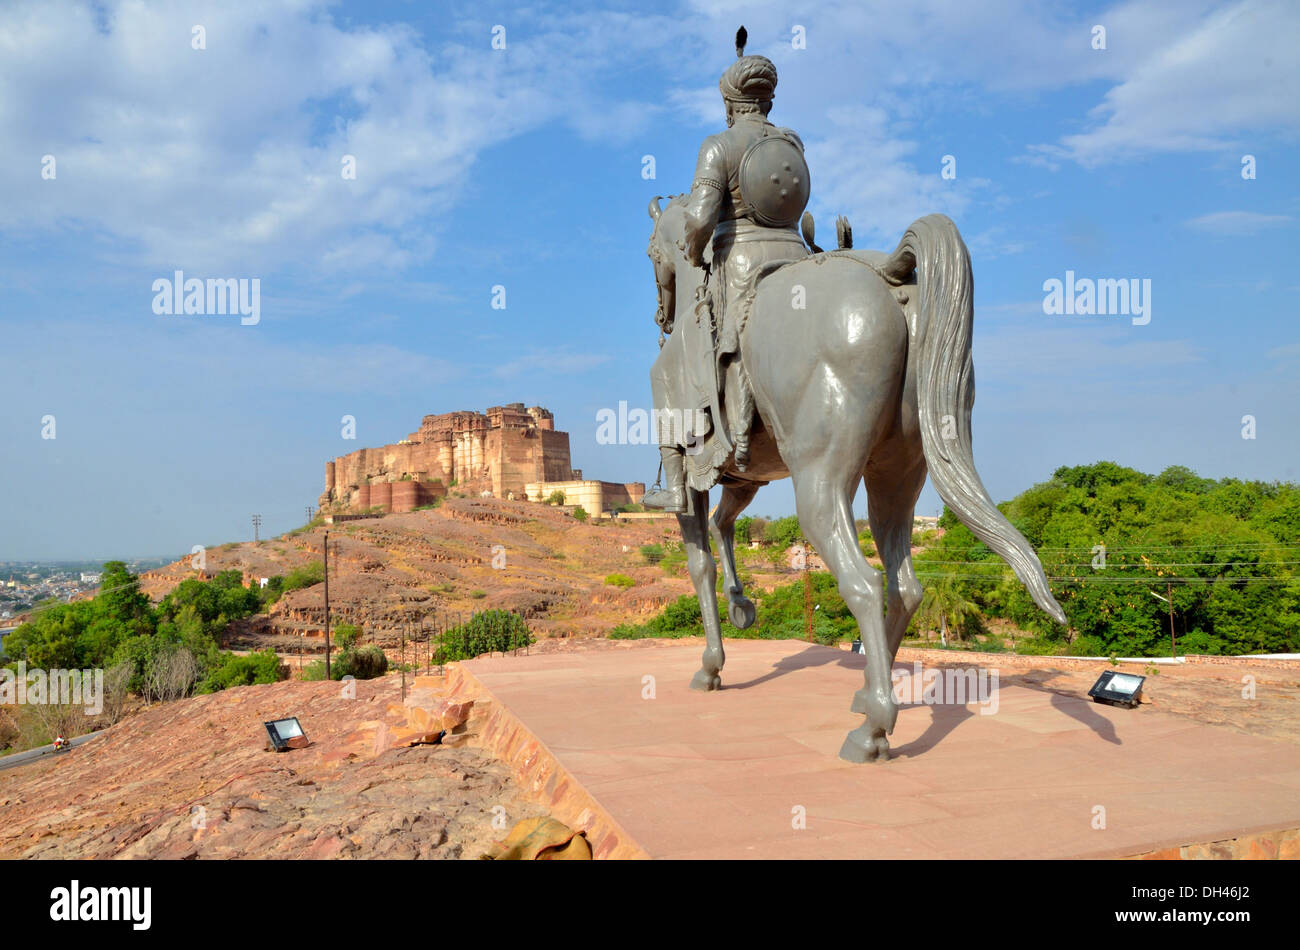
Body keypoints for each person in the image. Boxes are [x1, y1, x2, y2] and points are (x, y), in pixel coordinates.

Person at [642, 27, 810, 512]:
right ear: (768, 101)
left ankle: (677, 487)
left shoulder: (719, 145)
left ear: (729, 102)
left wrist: (693, 252)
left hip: (740, 265)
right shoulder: (791, 144)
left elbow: (698, 220)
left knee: (664, 368)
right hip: (797, 255)